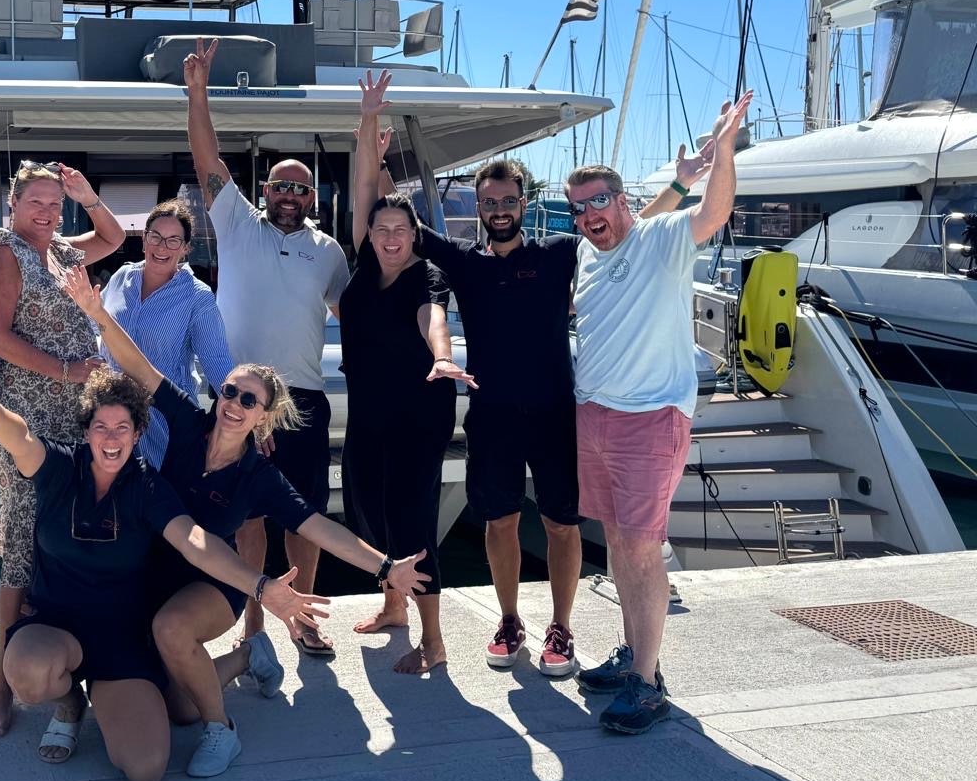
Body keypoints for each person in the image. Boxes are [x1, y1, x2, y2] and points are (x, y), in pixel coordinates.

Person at [358, 70, 708, 679]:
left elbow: (627, 234)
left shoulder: (558, 255)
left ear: (524, 204)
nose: (498, 211)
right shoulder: (462, 263)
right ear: (480, 207)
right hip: (491, 414)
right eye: (488, 203)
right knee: (499, 521)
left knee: (561, 524)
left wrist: (680, 185)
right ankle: (510, 618)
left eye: (507, 202)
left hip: (555, 412)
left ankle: (562, 628)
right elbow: (391, 216)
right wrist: (373, 143)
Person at [62, 266, 429, 776]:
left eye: (248, 400)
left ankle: (223, 730)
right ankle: (249, 657)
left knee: (173, 633)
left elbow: (319, 527)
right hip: (157, 569)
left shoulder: (259, 478)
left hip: (216, 581)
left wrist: (386, 566)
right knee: (178, 708)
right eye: (230, 392)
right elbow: (139, 368)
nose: (234, 404)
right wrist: (96, 312)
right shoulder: (189, 424)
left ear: (264, 415)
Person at [0, 355, 327, 781]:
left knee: (150, 764)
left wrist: (260, 587)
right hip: (56, 629)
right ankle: (70, 703)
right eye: (101, 427)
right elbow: (20, 439)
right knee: (30, 675)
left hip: (124, 645)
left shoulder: (149, 488)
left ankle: (245, 657)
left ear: (139, 433)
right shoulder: (59, 468)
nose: (111, 439)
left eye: (122, 428)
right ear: (86, 429)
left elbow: (197, 542)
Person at [567, 91, 753, 735]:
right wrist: (677, 179)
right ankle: (631, 654)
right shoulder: (595, 253)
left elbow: (714, 212)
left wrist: (721, 154)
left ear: (621, 202)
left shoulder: (664, 239)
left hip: (650, 419)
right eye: (578, 206)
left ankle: (647, 683)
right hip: (595, 416)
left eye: (601, 200)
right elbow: (629, 225)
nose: (591, 214)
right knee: (618, 544)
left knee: (644, 551)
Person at [183, 38, 350, 656]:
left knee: (303, 520)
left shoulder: (328, 250)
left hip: (302, 400)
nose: (289, 195)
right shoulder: (235, 223)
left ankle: (302, 622)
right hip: (236, 400)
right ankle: (254, 630)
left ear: (312, 199)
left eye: (300, 189)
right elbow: (207, 159)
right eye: (280, 185)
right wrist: (198, 92)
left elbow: (351, 312)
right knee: (246, 518)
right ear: (265, 189)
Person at [0, 159, 125, 736]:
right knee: (21, 534)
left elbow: (113, 237)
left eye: (53, 202)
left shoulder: (64, 251)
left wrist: (87, 194)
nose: (46, 211)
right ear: (14, 205)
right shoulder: (4, 250)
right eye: (35, 201)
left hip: (76, 414)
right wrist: (67, 370)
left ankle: (66, 663)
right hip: (26, 413)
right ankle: (1, 681)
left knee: (65, 530)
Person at [345, 99, 475, 674]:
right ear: (368, 234)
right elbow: (363, 190)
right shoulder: (361, 266)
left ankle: (434, 639)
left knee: (412, 517)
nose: (391, 236)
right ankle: (393, 605)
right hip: (370, 409)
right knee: (366, 507)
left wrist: (443, 358)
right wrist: (369, 122)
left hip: (419, 410)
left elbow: (434, 320)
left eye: (401, 229)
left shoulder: (427, 274)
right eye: (382, 228)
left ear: (413, 234)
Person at [100, 200, 234, 469]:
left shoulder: (197, 297)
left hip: (162, 423)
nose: (162, 247)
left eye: (174, 241)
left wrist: (242, 413)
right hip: (110, 420)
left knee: (159, 503)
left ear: (185, 249)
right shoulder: (121, 277)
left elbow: (218, 362)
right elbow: (96, 331)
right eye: (156, 237)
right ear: (144, 240)